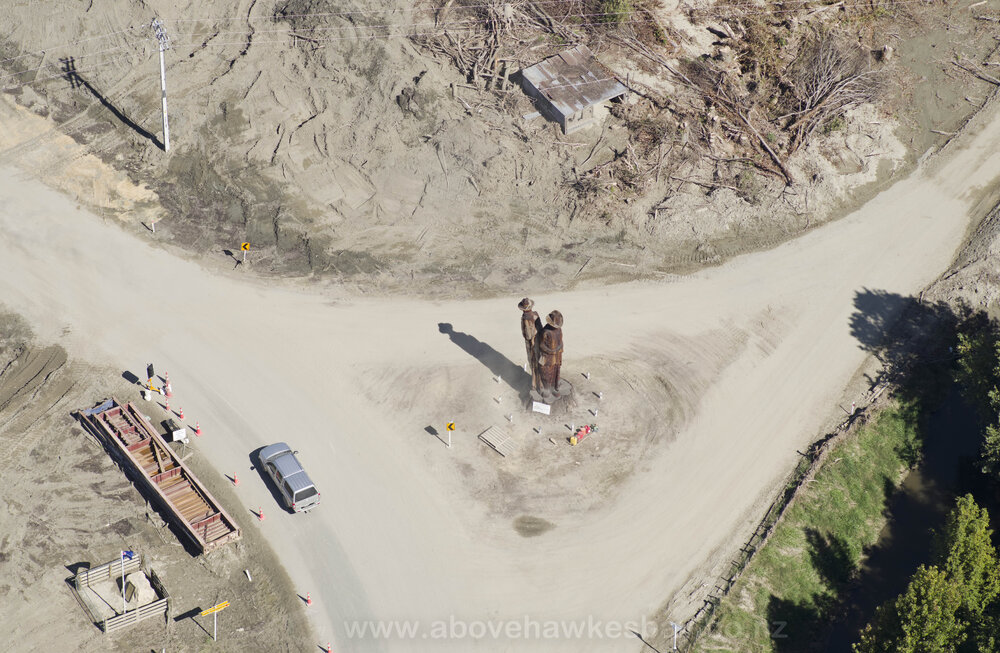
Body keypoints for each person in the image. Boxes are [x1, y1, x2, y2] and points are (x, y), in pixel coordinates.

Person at [518, 298, 543, 391]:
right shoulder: (535, 314)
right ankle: (539, 382)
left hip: (531, 343)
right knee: (538, 361)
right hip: (537, 341)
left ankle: (535, 383)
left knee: (532, 361)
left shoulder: (524, 318)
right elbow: (541, 328)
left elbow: (527, 335)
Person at [538, 310, 564, 397]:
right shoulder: (545, 332)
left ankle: (554, 387)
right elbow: (541, 345)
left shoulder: (559, 330)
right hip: (548, 357)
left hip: (557, 356)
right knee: (546, 372)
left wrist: (559, 349)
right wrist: (551, 351)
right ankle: (547, 388)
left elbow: (561, 341)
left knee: (556, 371)